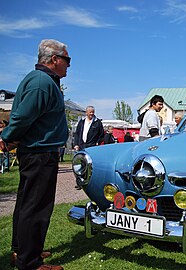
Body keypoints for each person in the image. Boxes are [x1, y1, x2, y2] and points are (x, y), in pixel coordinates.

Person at [0, 39, 70, 270]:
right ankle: (30, 262)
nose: (69, 65)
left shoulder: (42, 80)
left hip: (36, 151)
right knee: (36, 207)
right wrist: (8, 137)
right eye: (67, 60)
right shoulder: (42, 82)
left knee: (26, 204)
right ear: (54, 59)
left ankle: (23, 251)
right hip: (40, 152)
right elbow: (22, 117)